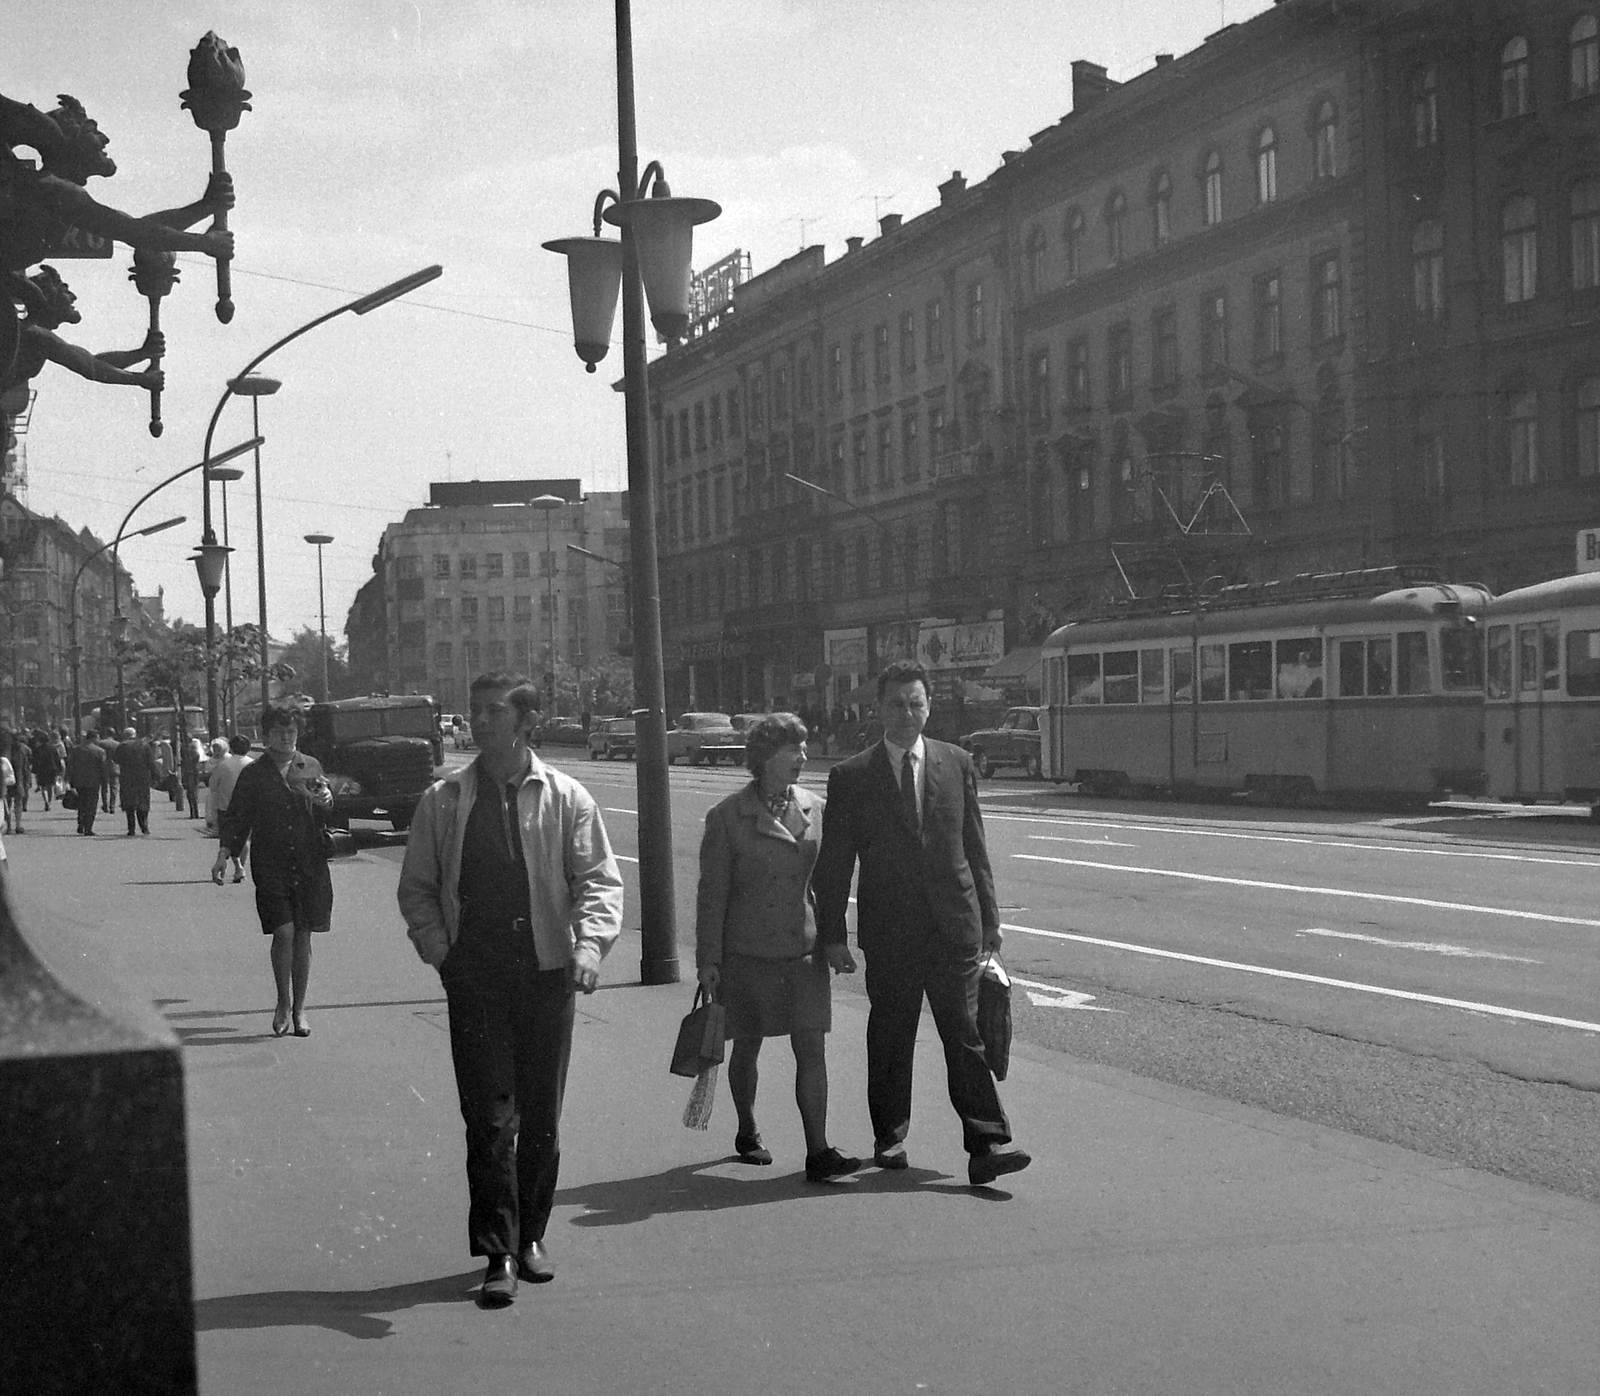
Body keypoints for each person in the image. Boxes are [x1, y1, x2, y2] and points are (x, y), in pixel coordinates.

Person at [398, 672, 622, 1310]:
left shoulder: (565, 795)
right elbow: (417, 886)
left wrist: (587, 948)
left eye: (495, 710)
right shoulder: (444, 800)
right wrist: (441, 952)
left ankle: (533, 1238)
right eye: (476, 710)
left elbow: (599, 882)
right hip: (476, 974)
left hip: (547, 972)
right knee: (490, 1117)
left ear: (525, 722)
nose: (481, 720)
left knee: (542, 1117)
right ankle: (498, 1250)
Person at [813, 660, 1030, 1189]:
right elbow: (836, 863)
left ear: (928, 708)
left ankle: (986, 1145)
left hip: (955, 926)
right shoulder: (852, 776)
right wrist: (833, 936)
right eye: (896, 704)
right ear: (879, 709)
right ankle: (889, 1135)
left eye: (916, 703)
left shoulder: (956, 762)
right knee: (891, 1034)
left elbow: (974, 849)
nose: (907, 712)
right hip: (890, 931)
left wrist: (991, 924)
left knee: (965, 1035)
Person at [695, 712, 857, 1183]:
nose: (803, 757)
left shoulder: (815, 806)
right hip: (747, 955)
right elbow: (712, 896)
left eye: (805, 747)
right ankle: (747, 1130)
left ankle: (818, 1151)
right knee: (748, 1047)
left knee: (812, 1051)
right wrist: (709, 960)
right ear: (765, 757)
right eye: (794, 748)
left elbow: (829, 883)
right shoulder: (727, 817)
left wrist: (833, 939)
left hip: (801, 952)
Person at [212, 706, 334, 1039]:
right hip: (271, 863)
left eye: (291, 731)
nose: (286, 737)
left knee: (304, 933)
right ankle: (283, 1001)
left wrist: (327, 798)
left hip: (309, 862)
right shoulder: (254, 774)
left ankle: (300, 1009)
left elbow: (327, 803)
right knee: (284, 932)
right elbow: (238, 818)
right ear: (266, 736)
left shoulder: (310, 766)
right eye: (279, 731)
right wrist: (225, 854)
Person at [207, 734, 252, 879]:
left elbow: (213, 785)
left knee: (227, 839)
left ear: (231, 748)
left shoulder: (224, 765)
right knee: (244, 839)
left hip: (225, 807)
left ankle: (236, 865)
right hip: (248, 808)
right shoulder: (252, 764)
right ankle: (240, 868)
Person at [113, 726, 156, 836]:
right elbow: (151, 762)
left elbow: (116, 760)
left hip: (127, 778)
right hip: (142, 778)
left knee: (129, 804)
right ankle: (144, 827)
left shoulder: (122, 746)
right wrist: (156, 776)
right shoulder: (144, 745)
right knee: (143, 802)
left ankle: (131, 829)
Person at [64, 730, 106, 836]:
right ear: (93, 738)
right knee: (91, 805)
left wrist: (68, 780)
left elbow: (70, 765)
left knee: (81, 803)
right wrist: (104, 781)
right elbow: (103, 768)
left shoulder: (76, 749)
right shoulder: (99, 751)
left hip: (78, 781)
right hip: (93, 782)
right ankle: (88, 827)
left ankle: (81, 823)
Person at [31, 728, 60, 812]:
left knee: (43, 787)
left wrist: (34, 770)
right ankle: (49, 802)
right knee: (50, 786)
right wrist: (59, 768)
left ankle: (46, 800)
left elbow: (35, 760)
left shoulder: (38, 749)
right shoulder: (52, 748)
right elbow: (57, 759)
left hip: (41, 769)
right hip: (52, 769)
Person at [8, 730, 30, 832]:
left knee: (7, 802)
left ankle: (8, 826)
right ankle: (18, 824)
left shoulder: (5, 750)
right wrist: (27, 780)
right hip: (19, 779)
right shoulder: (22, 750)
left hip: (7, 779)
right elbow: (25, 767)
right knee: (18, 802)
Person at [95, 725, 120, 814]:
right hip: (114, 766)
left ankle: (105, 805)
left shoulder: (101, 743)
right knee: (114, 787)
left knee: (104, 787)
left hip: (103, 766)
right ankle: (112, 806)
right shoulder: (117, 744)